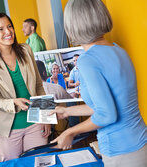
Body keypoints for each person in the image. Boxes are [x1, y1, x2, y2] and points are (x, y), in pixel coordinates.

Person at [50, 0, 147, 166]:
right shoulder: (118, 50)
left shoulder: (87, 60)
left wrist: (70, 131)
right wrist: (66, 112)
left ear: (72, 26)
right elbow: (105, 105)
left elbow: (107, 114)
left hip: (121, 152)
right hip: (140, 142)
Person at [0, 13, 51, 162]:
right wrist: (13, 102)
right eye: (1, 29)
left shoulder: (26, 50)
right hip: (7, 130)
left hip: (35, 124)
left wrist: (46, 117)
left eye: (9, 26)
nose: (8, 32)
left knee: (40, 164)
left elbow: (38, 85)